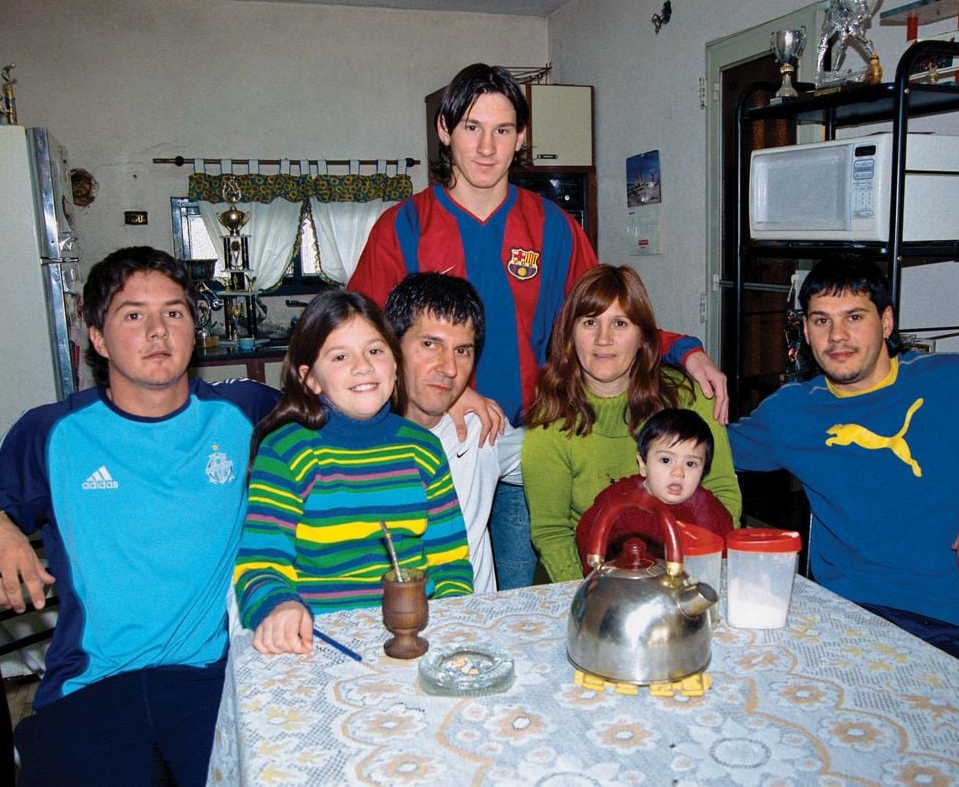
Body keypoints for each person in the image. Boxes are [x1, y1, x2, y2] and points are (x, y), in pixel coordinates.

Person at [347, 62, 729, 589]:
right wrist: (450, 394)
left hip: (538, 429)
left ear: (521, 136)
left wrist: (684, 349)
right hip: (454, 432)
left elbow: (602, 323)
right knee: (454, 576)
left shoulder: (553, 226)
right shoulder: (404, 226)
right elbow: (363, 338)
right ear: (444, 130)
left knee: (529, 580)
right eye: (471, 128)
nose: (486, 147)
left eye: (502, 130)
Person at [0, 247, 279, 785]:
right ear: (98, 337)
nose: (158, 332)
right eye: (133, 315)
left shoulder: (247, 411)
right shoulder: (53, 431)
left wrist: (446, 402)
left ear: (194, 329)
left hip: (213, 678)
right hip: (91, 684)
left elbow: (352, 410)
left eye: (175, 312)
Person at [726, 256, 959, 675]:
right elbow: (694, 448)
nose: (837, 336)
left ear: (886, 322)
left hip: (952, 624)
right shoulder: (790, 413)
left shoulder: (953, 380)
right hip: (844, 614)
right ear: (806, 331)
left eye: (854, 317)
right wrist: (677, 353)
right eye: (821, 321)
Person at [233, 289, 473, 656]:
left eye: (375, 351)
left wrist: (451, 623)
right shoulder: (285, 451)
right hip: (320, 642)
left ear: (395, 364)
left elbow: (450, 563)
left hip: (419, 639)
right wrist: (279, 606)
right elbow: (260, 565)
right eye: (341, 356)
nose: (362, 366)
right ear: (310, 378)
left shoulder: (422, 449)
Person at [523, 265, 742, 584]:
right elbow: (552, 532)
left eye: (620, 323)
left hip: (690, 572)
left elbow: (723, 495)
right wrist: (587, 596)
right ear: (569, 334)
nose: (603, 339)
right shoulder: (550, 421)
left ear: (643, 336)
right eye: (589, 322)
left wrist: (693, 580)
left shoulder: (691, 397)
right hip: (591, 575)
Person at [384, 272, 523, 593]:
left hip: (473, 625)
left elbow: (554, 457)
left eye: (462, 351)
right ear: (392, 345)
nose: (448, 368)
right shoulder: (359, 436)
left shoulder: (482, 427)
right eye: (430, 344)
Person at [574, 408, 733, 574]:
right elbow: (589, 533)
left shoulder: (709, 510)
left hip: (686, 589)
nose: (678, 472)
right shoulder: (619, 501)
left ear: (703, 471)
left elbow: (726, 557)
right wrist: (597, 575)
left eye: (690, 464)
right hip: (629, 586)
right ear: (643, 464)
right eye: (666, 460)